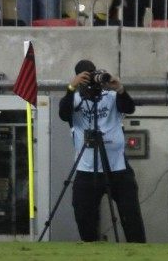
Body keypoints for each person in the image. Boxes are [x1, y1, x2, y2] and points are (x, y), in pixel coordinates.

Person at [59, 59, 146, 243]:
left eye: (93, 75)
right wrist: (70, 87)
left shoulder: (110, 96)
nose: (91, 81)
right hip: (87, 169)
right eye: (86, 77)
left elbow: (129, 108)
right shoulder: (74, 99)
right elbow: (63, 114)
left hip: (118, 168)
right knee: (84, 217)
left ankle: (138, 251)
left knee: (131, 217)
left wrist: (119, 88)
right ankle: (92, 250)